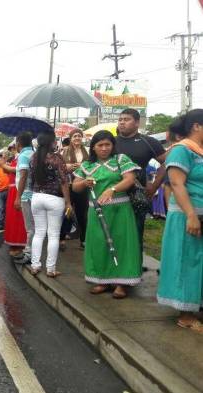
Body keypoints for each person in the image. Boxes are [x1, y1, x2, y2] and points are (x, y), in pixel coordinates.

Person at [72, 131, 142, 299]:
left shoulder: (121, 160)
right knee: (99, 244)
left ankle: (121, 283)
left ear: (112, 146)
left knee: (122, 244)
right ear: (93, 147)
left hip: (120, 210)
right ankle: (102, 279)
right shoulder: (87, 166)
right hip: (96, 211)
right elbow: (75, 187)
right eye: (100, 145)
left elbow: (129, 179)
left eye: (107, 145)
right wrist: (84, 182)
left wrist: (112, 189)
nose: (104, 148)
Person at [157, 110, 203, 333]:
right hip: (188, 214)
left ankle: (195, 303)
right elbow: (176, 184)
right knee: (187, 260)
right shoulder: (181, 150)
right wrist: (191, 215)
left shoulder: (199, 152)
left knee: (199, 261)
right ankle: (185, 315)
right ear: (196, 126)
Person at [116, 108, 167, 256]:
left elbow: (166, 162)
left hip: (137, 196)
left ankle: (134, 270)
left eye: (126, 119)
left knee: (135, 232)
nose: (122, 122)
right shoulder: (110, 142)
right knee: (114, 233)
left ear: (137, 123)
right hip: (112, 193)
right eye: (120, 120)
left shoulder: (148, 141)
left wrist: (155, 185)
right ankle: (113, 271)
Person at [28, 132, 71, 277]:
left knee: (39, 233)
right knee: (53, 235)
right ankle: (51, 269)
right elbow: (64, 181)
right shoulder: (57, 158)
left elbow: (30, 179)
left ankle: (35, 266)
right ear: (51, 143)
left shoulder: (33, 158)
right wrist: (68, 202)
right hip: (54, 199)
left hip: (37, 197)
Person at [62, 128, 90, 248]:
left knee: (82, 213)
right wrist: (67, 166)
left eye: (79, 136)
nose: (77, 138)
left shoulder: (87, 151)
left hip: (82, 186)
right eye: (75, 136)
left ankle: (83, 239)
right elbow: (60, 167)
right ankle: (62, 238)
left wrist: (83, 166)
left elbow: (92, 165)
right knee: (67, 211)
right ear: (71, 138)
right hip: (68, 185)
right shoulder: (65, 151)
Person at [0, 142, 27, 257]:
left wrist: (3, 165)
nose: (12, 150)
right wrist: (4, 164)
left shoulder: (22, 157)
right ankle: (15, 243)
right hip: (12, 189)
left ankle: (19, 244)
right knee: (11, 217)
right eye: (11, 148)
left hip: (17, 189)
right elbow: (8, 171)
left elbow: (17, 170)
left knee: (17, 218)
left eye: (13, 148)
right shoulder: (16, 158)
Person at [14, 132, 35, 263]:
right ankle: (31, 252)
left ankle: (29, 254)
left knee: (30, 227)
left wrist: (18, 196)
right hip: (36, 194)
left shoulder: (23, 156)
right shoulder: (34, 154)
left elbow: (23, 175)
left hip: (26, 196)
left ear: (18, 144)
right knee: (35, 227)